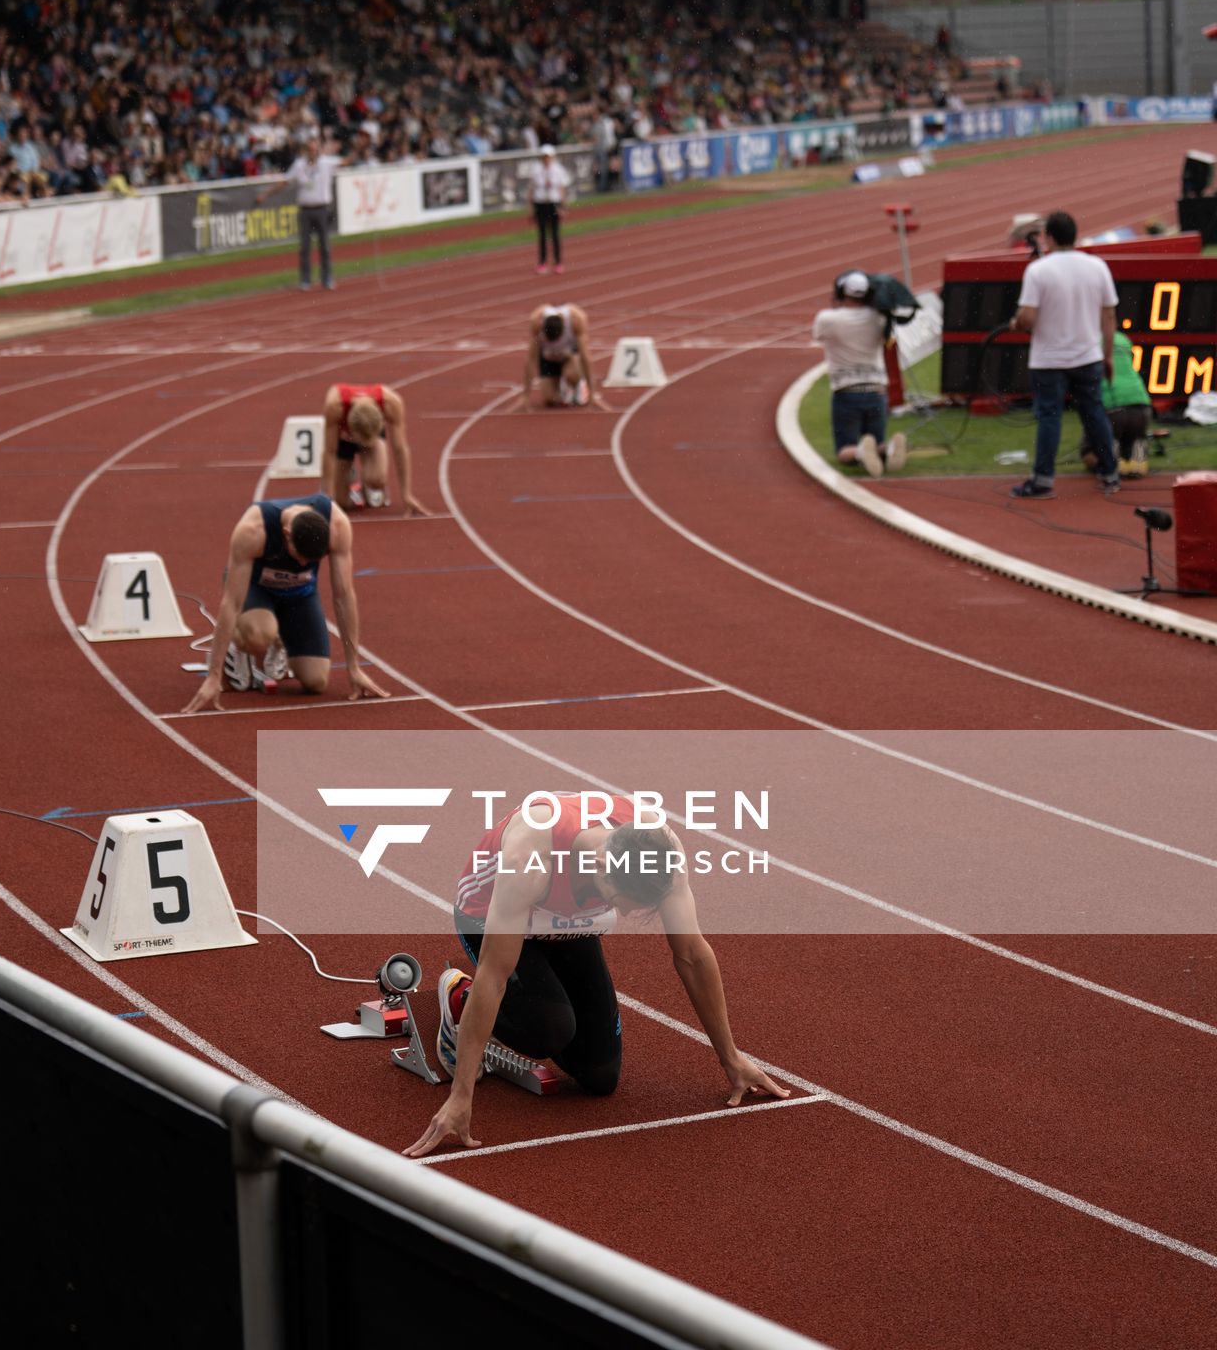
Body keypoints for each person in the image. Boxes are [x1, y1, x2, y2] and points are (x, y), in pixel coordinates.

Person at [402, 793, 789, 1158]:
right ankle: (458, 1000)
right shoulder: (529, 855)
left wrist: (731, 1058)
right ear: (602, 867)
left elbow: (691, 954)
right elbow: (495, 976)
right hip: (490, 915)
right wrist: (460, 1096)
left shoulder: (661, 849)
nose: (629, 915)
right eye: (622, 904)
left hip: (567, 923)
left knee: (600, 1077)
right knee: (548, 1028)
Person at [181, 493, 389, 712]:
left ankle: (280, 639)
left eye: (312, 561)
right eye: (300, 557)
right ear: (286, 534)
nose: (302, 563)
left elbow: (344, 597)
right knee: (259, 635)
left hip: (300, 595)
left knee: (316, 682)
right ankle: (239, 647)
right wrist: (213, 675)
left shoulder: (338, 525)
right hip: (256, 589)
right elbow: (231, 602)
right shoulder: (253, 530)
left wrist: (354, 667)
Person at [1009, 210, 1119, 499]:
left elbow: (1028, 318)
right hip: (1088, 355)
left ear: (1049, 237)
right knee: (1094, 414)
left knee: (1049, 417)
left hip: (1049, 359)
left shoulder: (1039, 270)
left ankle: (1043, 480)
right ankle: (1110, 473)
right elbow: (1109, 316)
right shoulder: (1097, 266)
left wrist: (1016, 323)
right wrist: (1107, 355)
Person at [811, 271, 907, 477]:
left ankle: (861, 452)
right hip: (877, 391)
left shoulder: (828, 319)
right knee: (876, 441)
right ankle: (887, 449)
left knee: (844, 450)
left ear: (841, 291)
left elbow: (817, 336)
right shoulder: (880, 318)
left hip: (847, 391)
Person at [320, 379, 430, 516]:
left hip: (371, 430)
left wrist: (406, 494)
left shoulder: (392, 403)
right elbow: (329, 452)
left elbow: (400, 449)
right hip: (344, 437)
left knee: (376, 480)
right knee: (341, 503)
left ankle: (367, 481)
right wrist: (329, 499)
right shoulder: (335, 406)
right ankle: (351, 477)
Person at [258, 134, 340, 291]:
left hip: (321, 209)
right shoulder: (299, 165)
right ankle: (305, 280)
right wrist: (266, 194)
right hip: (305, 210)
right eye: (309, 149)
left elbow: (346, 161)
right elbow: (284, 182)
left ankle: (327, 278)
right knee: (305, 247)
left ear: (318, 150)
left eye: (314, 149)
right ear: (306, 150)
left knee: (325, 246)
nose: (312, 152)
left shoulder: (326, 163)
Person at [1080, 328, 1152, 479]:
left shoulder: (1088, 340)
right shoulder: (1123, 339)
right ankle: (1134, 455)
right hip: (1142, 406)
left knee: (1088, 452)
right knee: (1131, 436)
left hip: (1112, 408)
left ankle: (1109, 460)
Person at [517, 302, 607, 410]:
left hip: (569, 356)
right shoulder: (537, 321)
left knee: (572, 375)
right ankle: (560, 389)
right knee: (550, 400)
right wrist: (525, 396)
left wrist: (592, 395)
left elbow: (585, 358)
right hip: (548, 357)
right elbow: (531, 359)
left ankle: (577, 386)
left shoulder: (576, 320)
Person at [527, 143, 569, 274]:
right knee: (542, 235)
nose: (546, 159)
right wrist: (531, 208)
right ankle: (542, 263)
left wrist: (562, 206)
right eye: (544, 156)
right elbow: (531, 189)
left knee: (555, 234)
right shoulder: (536, 169)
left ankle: (558, 262)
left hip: (553, 203)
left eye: (548, 156)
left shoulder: (558, 169)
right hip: (540, 203)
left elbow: (562, 188)